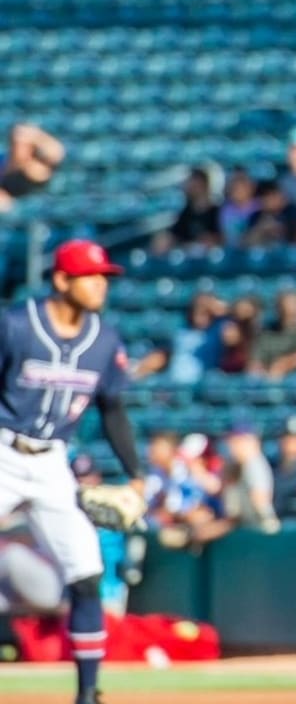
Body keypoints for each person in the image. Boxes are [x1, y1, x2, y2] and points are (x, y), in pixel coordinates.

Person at [0, 240, 145, 704]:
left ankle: (87, 694)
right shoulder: (16, 325)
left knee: (86, 574)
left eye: (104, 276)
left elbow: (114, 409)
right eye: (90, 275)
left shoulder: (104, 340)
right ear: (61, 280)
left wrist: (136, 475)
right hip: (2, 450)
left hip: (52, 463)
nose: (100, 284)